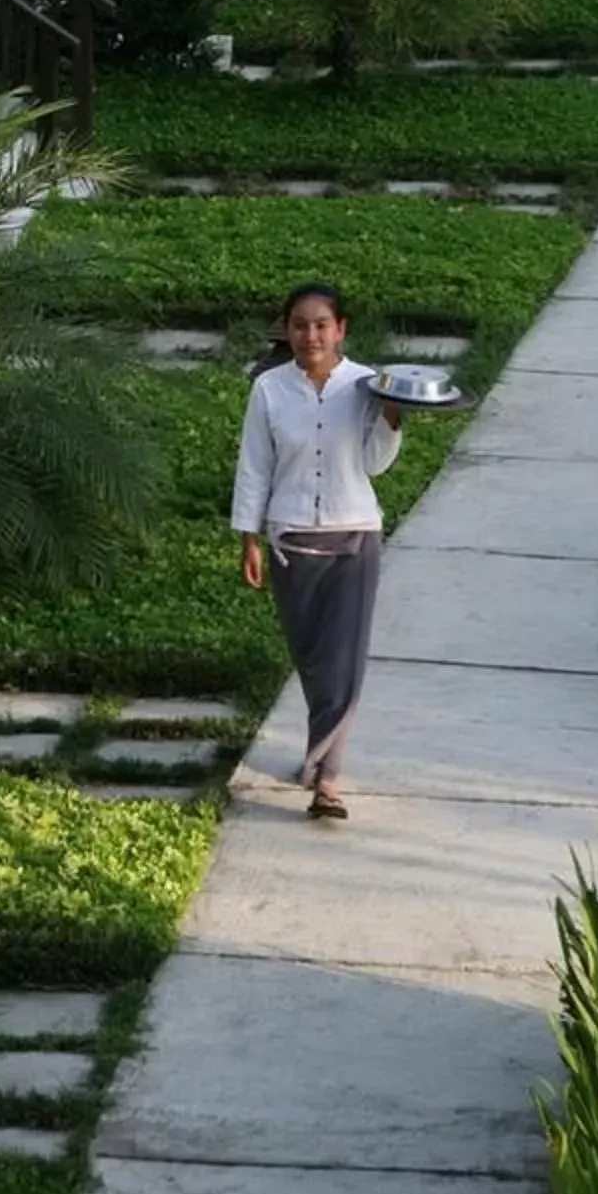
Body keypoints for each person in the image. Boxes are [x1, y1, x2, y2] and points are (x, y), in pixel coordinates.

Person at [232, 281, 404, 822]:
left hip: (355, 537)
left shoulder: (365, 384)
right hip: (290, 542)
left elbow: (375, 463)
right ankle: (319, 756)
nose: (311, 335)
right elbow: (255, 464)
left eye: (321, 325)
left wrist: (394, 418)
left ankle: (326, 781)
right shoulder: (269, 390)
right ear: (287, 330)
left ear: (341, 330)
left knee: (343, 661)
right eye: (300, 325)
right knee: (312, 662)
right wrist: (248, 537)